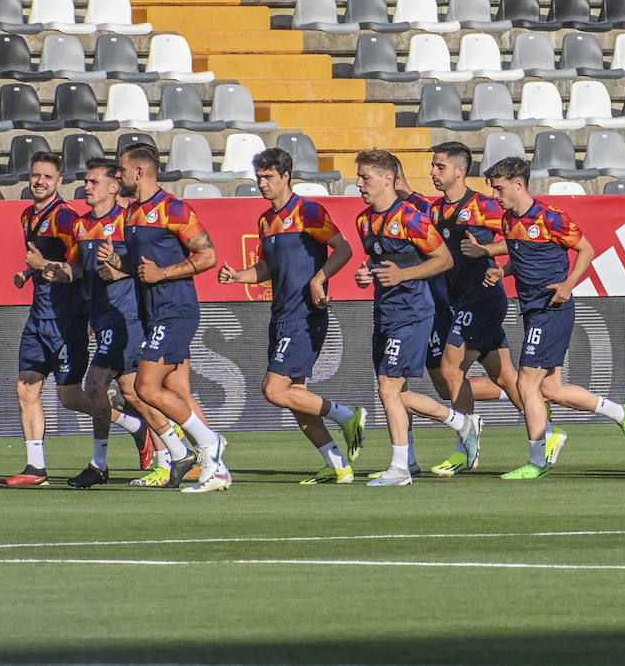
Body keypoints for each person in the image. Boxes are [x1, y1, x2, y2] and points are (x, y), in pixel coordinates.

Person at [477, 157, 625, 480]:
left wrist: (568, 285)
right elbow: (523, 256)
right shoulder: (510, 220)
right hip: (533, 309)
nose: (495, 195)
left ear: (518, 184)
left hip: (551, 307)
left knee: (525, 382)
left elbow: (587, 251)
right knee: (550, 390)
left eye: (499, 188)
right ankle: (621, 412)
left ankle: (539, 458)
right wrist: (502, 271)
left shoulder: (551, 217)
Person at [218, 147, 367, 484]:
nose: (262, 183)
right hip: (281, 313)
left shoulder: (309, 212)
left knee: (273, 390)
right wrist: (239, 275)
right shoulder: (266, 220)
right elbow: (268, 267)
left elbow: (343, 248)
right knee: (296, 399)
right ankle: (338, 465)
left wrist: (319, 278)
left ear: (286, 176)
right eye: (258, 177)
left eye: (269, 176)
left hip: (305, 314)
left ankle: (347, 415)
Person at [97, 143, 229, 492]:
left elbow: (208, 256)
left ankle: (208, 444)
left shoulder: (175, 209)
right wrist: (117, 261)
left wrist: (165, 273)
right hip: (152, 314)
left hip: (176, 310)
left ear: (139, 172)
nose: (118, 175)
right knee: (171, 389)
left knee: (144, 386)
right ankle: (209, 462)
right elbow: (140, 269)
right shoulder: (130, 214)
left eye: (121, 170)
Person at [353, 149, 480, 487]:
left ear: (387, 179)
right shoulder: (363, 220)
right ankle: (454, 427)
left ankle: (401, 468)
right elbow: (378, 263)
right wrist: (366, 274)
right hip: (385, 313)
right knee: (392, 391)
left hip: (413, 312)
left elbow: (443, 260)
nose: (358, 183)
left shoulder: (411, 218)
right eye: (359, 176)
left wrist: (403, 276)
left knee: (389, 389)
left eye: (365, 177)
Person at [425, 142, 541, 476]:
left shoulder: (484, 206)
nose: (433, 172)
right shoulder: (435, 210)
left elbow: (520, 237)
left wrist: (486, 251)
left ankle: (466, 441)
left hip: (482, 299)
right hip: (459, 301)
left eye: (440, 167)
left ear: (460, 171)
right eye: (433, 166)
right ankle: (546, 434)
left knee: (450, 370)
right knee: (506, 377)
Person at [68, 158, 181, 489]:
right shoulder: (80, 226)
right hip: (103, 320)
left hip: (129, 317)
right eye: (86, 181)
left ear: (114, 187)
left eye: (94, 181)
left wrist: (120, 270)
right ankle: (173, 454)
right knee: (134, 392)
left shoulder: (129, 220)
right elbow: (80, 271)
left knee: (96, 384)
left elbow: (146, 265)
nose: (87, 187)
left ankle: (101, 463)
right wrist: (55, 269)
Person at [0, 152, 100, 487]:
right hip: (39, 316)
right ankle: (35, 469)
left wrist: (41, 267)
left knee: (69, 398)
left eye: (47, 176)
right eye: (35, 175)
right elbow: (47, 259)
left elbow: (82, 268)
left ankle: (134, 424)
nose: (39, 181)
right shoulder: (28, 216)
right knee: (26, 387)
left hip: (67, 319)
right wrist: (28, 271)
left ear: (60, 182)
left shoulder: (67, 218)